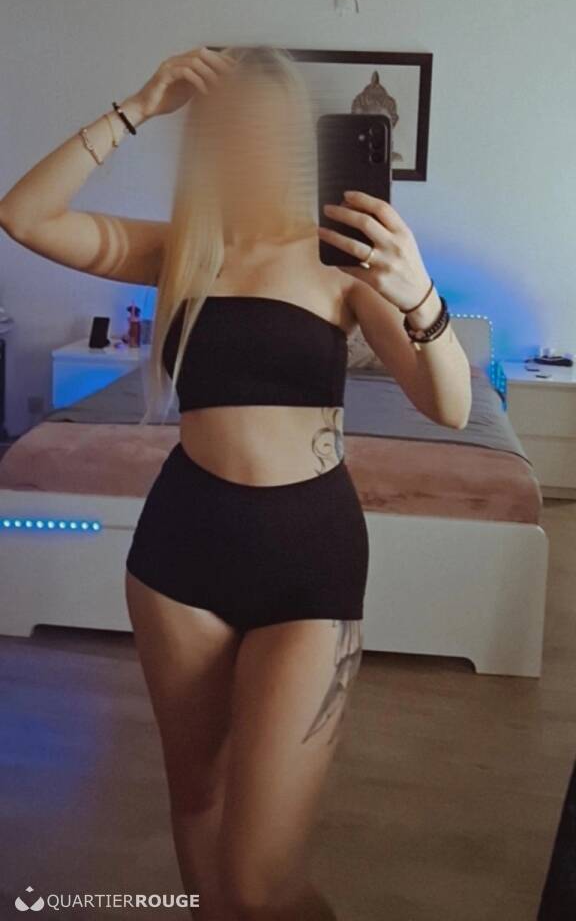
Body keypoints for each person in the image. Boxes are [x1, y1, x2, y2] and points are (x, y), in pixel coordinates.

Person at [0, 46, 471, 921]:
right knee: (198, 805)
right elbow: (23, 216)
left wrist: (419, 295)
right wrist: (141, 102)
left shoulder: (342, 258)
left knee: (261, 880)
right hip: (180, 555)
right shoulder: (179, 250)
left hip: (309, 563)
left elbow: (450, 405)